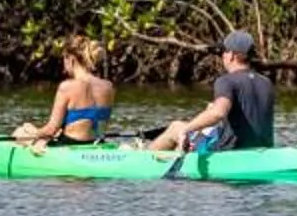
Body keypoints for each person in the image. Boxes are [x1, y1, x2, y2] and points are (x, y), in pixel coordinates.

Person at [148, 29, 277, 156]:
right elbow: (248, 114)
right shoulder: (266, 82)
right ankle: (175, 153)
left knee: (176, 128)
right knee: (202, 130)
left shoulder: (226, 81)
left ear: (231, 55)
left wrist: (186, 130)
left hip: (229, 151)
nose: (222, 56)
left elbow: (218, 113)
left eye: (223, 51)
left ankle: (143, 158)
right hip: (262, 148)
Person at [14, 37, 117, 147]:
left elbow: (51, 129)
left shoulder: (67, 87)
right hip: (97, 143)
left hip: (70, 145)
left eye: (64, 59)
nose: (64, 67)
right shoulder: (108, 87)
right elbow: (94, 124)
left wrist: (31, 133)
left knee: (21, 131)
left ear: (71, 59)